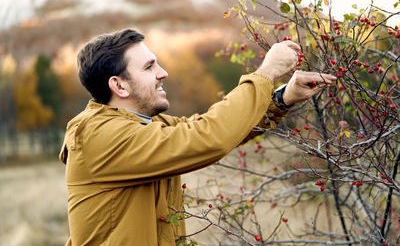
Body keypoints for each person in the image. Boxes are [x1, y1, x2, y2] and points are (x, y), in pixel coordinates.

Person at [59, 28, 336, 245]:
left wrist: (281, 99)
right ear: (118, 85)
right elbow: (209, 137)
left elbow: (212, 127)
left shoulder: (141, 127)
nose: (163, 73)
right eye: (148, 67)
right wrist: (266, 73)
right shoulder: (99, 135)